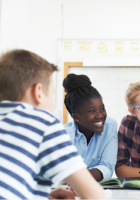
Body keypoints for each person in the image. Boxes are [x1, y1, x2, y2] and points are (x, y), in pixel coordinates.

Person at [0, 49, 104, 199]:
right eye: (53, 93)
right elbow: (94, 195)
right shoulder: (42, 123)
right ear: (39, 92)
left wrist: (45, 196)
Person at [63, 73, 118, 182]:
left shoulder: (110, 126)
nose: (100, 115)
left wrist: (81, 178)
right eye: (92, 111)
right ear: (76, 117)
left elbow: (107, 166)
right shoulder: (63, 135)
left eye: (102, 108)